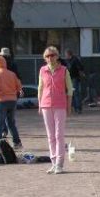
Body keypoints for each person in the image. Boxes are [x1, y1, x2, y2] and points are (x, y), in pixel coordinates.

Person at [37, 46, 72, 174]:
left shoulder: (64, 70)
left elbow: (70, 90)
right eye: (47, 56)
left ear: (57, 56)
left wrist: (69, 106)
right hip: (46, 105)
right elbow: (40, 88)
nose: (50, 58)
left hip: (60, 105)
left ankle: (60, 163)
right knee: (50, 136)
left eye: (52, 55)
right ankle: (53, 162)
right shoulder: (42, 70)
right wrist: (40, 105)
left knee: (59, 135)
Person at [0, 55, 23, 149]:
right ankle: (17, 143)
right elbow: (19, 86)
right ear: (5, 64)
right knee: (11, 123)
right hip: (12, 101)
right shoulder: (12, 74)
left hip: (1, 101)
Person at [65, 49, 85, 114]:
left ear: (68, 54)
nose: (65, 56)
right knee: (72, 93)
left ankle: (78, 108)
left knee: (76, 93)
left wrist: (80, 71)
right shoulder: (68, 61)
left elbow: (81, 67)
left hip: (74, 78)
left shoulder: (75, 60)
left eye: (66, 55)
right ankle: (75, 107)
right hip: (70, 78)